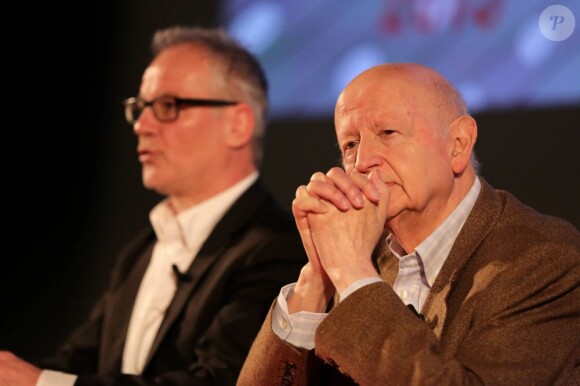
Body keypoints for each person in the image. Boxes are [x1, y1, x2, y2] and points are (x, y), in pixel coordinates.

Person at [236, 63, 580, 385]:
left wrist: (354, 276)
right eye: (351, 144)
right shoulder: (355, 257)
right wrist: (317, 277)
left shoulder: (543, 261)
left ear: (458, 144)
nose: (363, 161)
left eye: (388, 132)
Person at [0, 26, 307, 386]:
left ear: (238, 125)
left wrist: (39, 383)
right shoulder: (142, 251)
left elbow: (220, 379)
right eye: (140, 108)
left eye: (167, 106)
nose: (142, 125)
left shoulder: (277, 250)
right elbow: (77, 363)